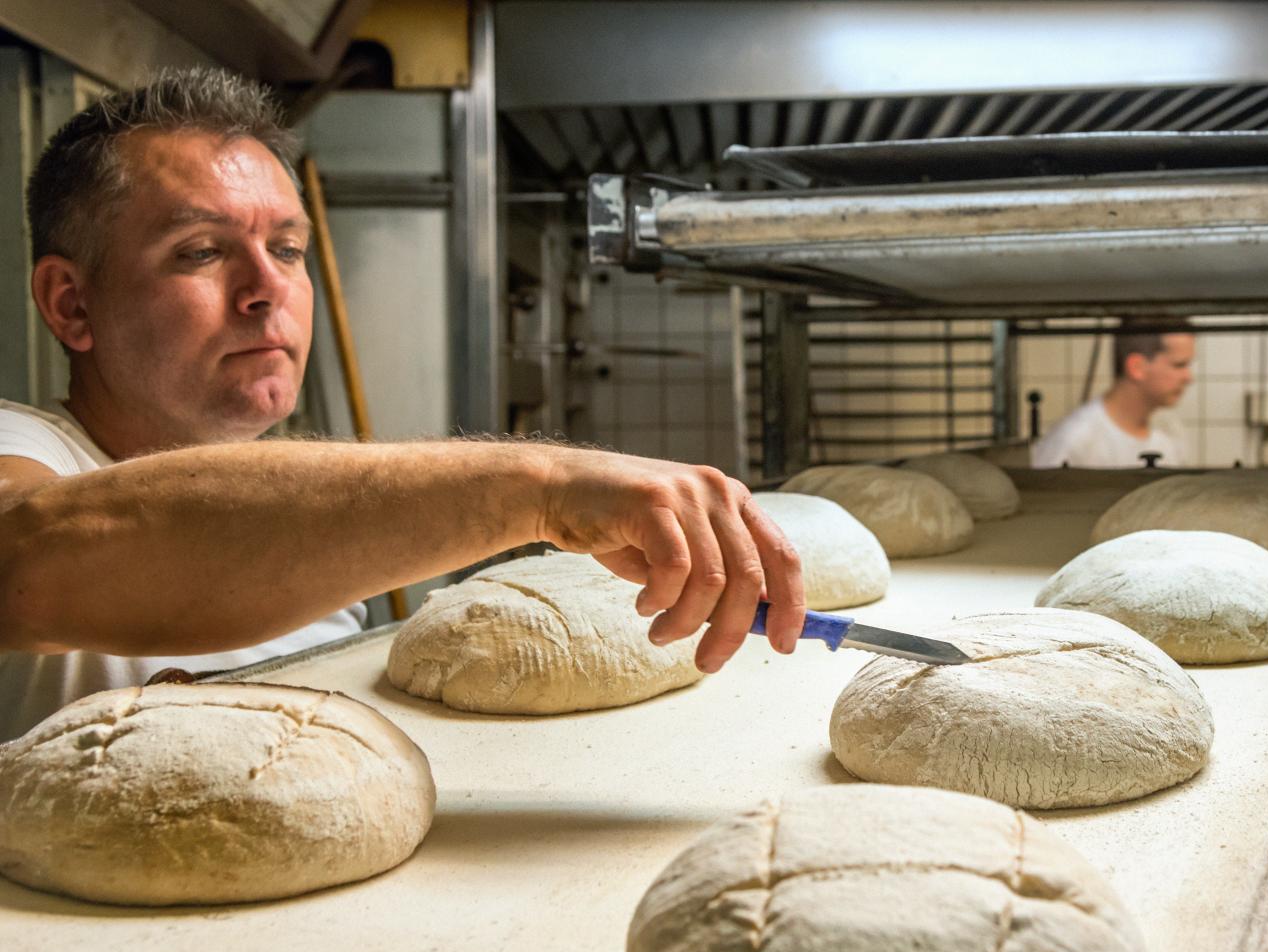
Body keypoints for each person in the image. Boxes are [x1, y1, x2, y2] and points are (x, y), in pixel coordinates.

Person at [0, 68, 805, 742]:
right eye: (201, 251)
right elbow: (28, 561)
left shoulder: (296, 513)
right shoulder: (25, 445)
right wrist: (543, 486)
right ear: (71, 304)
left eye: (286, 249)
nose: (267, 290)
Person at [1029, 319, 1195, 468]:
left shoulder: (1170, 429)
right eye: (1179, 365)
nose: (1189, 377)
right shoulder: (1075, 440)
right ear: (1137, 367)